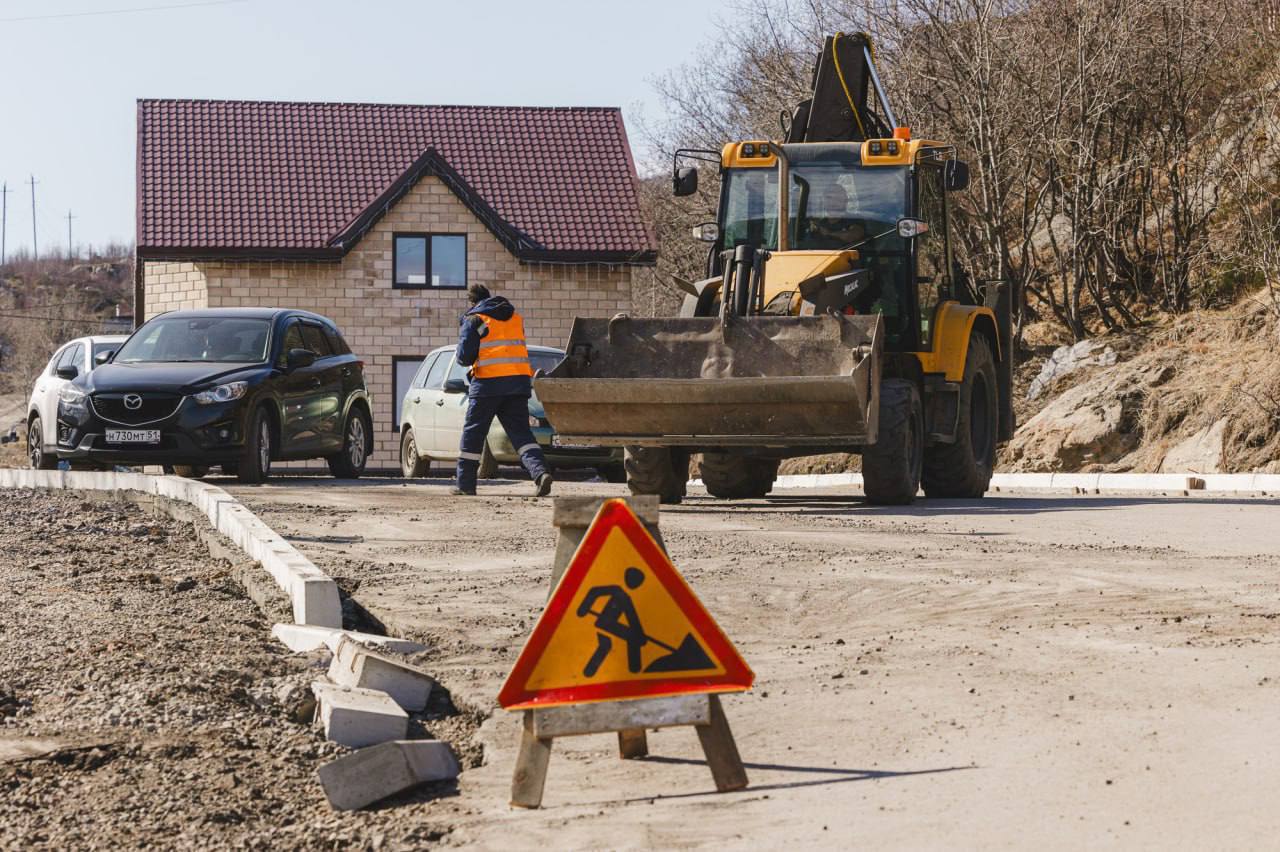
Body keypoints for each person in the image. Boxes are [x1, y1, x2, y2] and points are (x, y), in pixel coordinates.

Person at [451, 283, 553, 497]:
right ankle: (540, 473)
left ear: (473, 302)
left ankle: (465, 485)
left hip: (488, 384)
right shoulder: (515, 318)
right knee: (522, 434)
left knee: (474, 434)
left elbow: (463, 358)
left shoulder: (475, 319)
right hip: (517, 383)